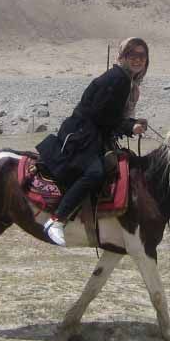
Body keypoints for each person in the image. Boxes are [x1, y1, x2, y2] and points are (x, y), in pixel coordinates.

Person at [35, 38, 150, 246]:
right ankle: (57, 219)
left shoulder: (128, 82)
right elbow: (99, 114)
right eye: (132, 55)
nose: (137, 60)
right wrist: (128, 126)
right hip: (83, 135)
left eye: (142, 56)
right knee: (95, 173)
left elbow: (109, 113)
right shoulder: (119, 79)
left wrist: (130, 124)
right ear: (123, 56)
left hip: (94, 134)